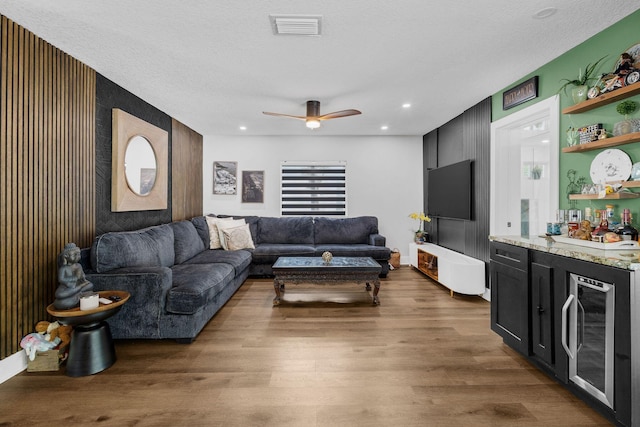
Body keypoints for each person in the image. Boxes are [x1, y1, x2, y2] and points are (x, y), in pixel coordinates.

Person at [53, 243, 94, 309]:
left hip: (77, 285)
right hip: (67, 287)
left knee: (90, 285)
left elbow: (83, 276)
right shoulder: (64, 268)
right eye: (74, 255)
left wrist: (82, 277)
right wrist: (75, 278)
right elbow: (61, 279)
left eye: (78, 254)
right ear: (66, 256)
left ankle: (77, 295)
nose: (77, 256)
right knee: (59, 294)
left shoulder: (78, 266)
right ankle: (79, 295)